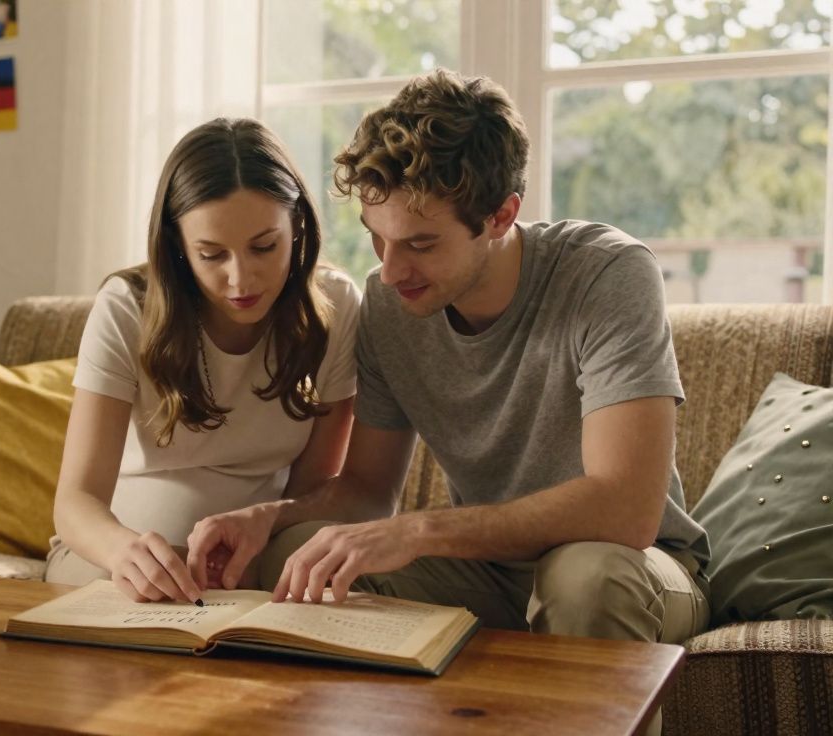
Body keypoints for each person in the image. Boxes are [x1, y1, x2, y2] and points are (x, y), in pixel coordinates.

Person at [188, 69, 711, 648]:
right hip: (488, 568)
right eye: (376, 237)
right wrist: (271, 516)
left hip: (637, 565)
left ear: (501, 216)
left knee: (585, 576)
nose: (389, 271)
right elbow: (365, 487)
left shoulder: (606, 273)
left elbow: (626, 509)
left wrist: (420, 530)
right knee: (303, 551)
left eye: (421, 244)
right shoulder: (390, 303)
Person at [48, 118, 363, 604]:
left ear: (297, 224)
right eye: (212, 254)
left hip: (255, 560)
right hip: (112, 558)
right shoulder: (126, 307)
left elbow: (313, 496)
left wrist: (259, 550)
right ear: (178, 246)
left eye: (264, 247)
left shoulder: (336, 306)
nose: (242, 280)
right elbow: (76, 503)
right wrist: (122, 551)